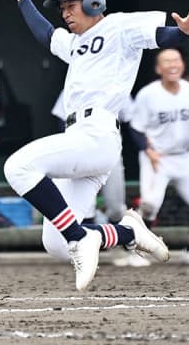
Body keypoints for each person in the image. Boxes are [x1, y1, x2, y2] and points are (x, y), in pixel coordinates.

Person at [4, 0, 189, 291]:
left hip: (97, 132)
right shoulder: (75, 44)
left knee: (18, 167)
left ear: (92, 2)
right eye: (62, 8)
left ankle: (80, 238)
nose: (65, 13)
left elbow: (163, 35)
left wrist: (183, 33)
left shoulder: (118, 27)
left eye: (71, 5)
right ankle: (128, 232)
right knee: (56, 244)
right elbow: (45, 34)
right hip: (79, 137)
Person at [130, 47, 189, 267]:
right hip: (156, 156)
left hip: (184, 156)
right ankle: (137, 251)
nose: (172, 64)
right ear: (159, 68)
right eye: (166, 61)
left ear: (182, 65)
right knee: (149, 205)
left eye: (176, 60)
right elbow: (136, 128)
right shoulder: (148, 94)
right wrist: (148, 150)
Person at [52, 90, 145, 267]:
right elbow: (60, 120)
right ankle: (85, 252)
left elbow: (131, 120)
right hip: (79, 151)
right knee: (84, 208)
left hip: (110, 152)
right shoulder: (74, 84)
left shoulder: (118, 84)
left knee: (116, 207)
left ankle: (120, 245)